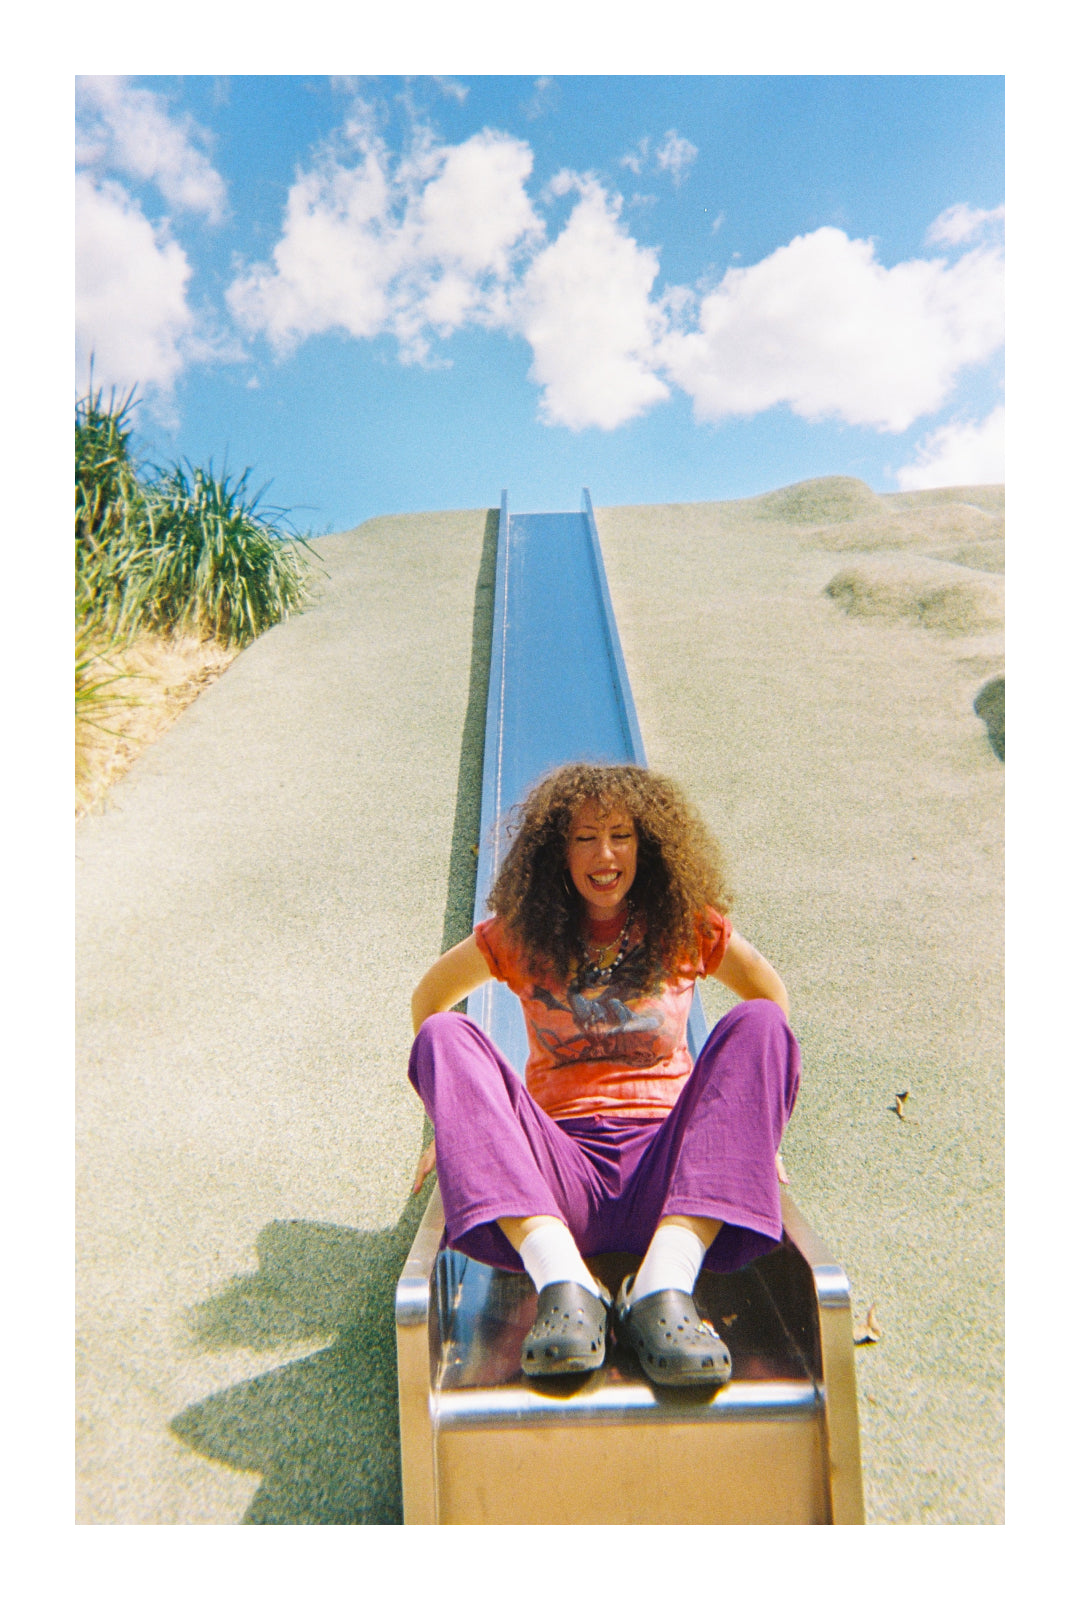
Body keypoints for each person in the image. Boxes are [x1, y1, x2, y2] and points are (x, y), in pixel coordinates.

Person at [407, 762, 800, 1388]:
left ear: (648, 844)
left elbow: (769, 998)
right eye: (585, 837)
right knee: (445, 1036)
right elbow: (430, 1001)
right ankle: (565, 1280)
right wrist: (458, 1123)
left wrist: (754, 1132)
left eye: (621, 834)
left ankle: (664, 1283)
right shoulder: (521, 935)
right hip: (557, 1176)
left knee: (758, 1024)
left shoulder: (687, 927)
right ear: (558, 851)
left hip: (671, 1177)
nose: (605, 854)